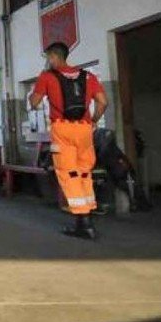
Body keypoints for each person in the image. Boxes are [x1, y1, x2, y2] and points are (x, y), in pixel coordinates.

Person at [29, 42, 108, 240]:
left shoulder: (47, 76)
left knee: (70, 173)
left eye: (49, 57)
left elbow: (34, 102)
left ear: (55, 56)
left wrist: (41, 82)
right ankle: (87, 215)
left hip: (62, 129)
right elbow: (103, 102)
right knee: (84, 172)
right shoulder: (88, 76)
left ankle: (84, 223)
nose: (48, 61)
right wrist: (94, 121)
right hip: (84, 130)